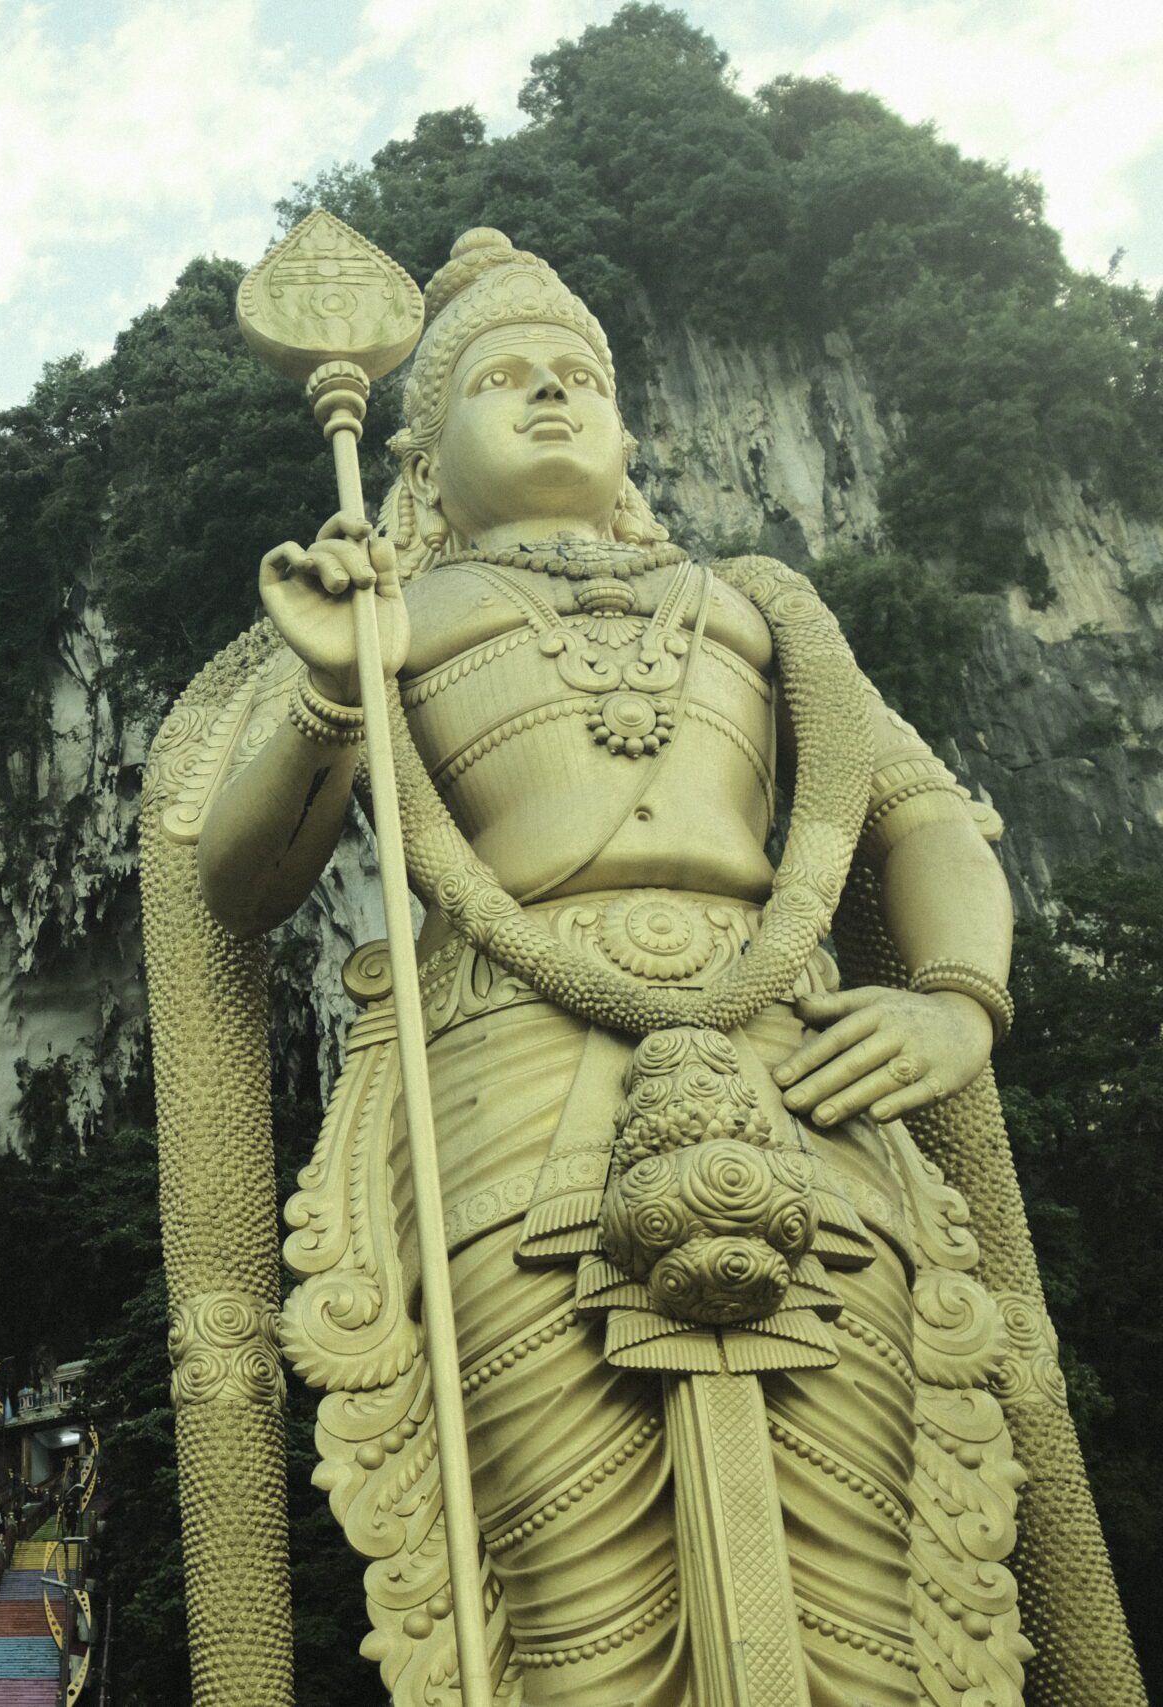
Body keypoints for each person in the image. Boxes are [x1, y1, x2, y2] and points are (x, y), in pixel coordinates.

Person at [145, 226, 1135, 1704]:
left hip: (794, 1061)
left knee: (868, 1573)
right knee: (572, 1589)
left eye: (580, 377)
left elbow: (921, 816)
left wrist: (955, 1000)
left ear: (627, 439)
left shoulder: (758, 609)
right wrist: (334, 694)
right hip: (509, 1076)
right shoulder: (389, 615)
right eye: (501, 381)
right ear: (420, 456)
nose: (552, 395)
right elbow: (237, 882)